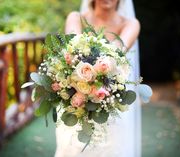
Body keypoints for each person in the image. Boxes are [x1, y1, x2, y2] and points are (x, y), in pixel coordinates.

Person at [55, 0, 141, 156]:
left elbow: (116, 53)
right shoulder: (76, 18)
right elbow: (72, 48)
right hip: (76, 101)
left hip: (110, 102)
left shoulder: (131, 24)